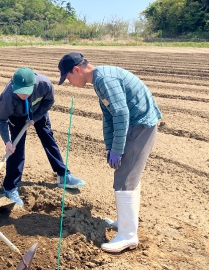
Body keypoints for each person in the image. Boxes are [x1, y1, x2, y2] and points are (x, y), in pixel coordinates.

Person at [58, 52, 161, 253]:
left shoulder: (104, 79)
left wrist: (118, 149)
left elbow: (122, 113)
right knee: (128, 175)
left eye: (68, 77)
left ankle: (128, 235)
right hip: (135, 124)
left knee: (124, 177)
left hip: (141, 125)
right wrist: (109, 146)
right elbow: (109, 116)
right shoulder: (99, 80)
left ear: (77, 70)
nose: (69, 82)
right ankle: (124, 223)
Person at [0, 67, 86, 209]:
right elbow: (1, 120)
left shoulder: (44, 84)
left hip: (38, 112)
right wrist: (7, 141)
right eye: (19, 92)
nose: (22, 95)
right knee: (16, 150)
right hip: (17, 117)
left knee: (49, 140)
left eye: (26, 92)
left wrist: (35, 118)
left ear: (33, 85)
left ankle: (63, 175)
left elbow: (49, 101)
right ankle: (10, 187)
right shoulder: (8, 96)